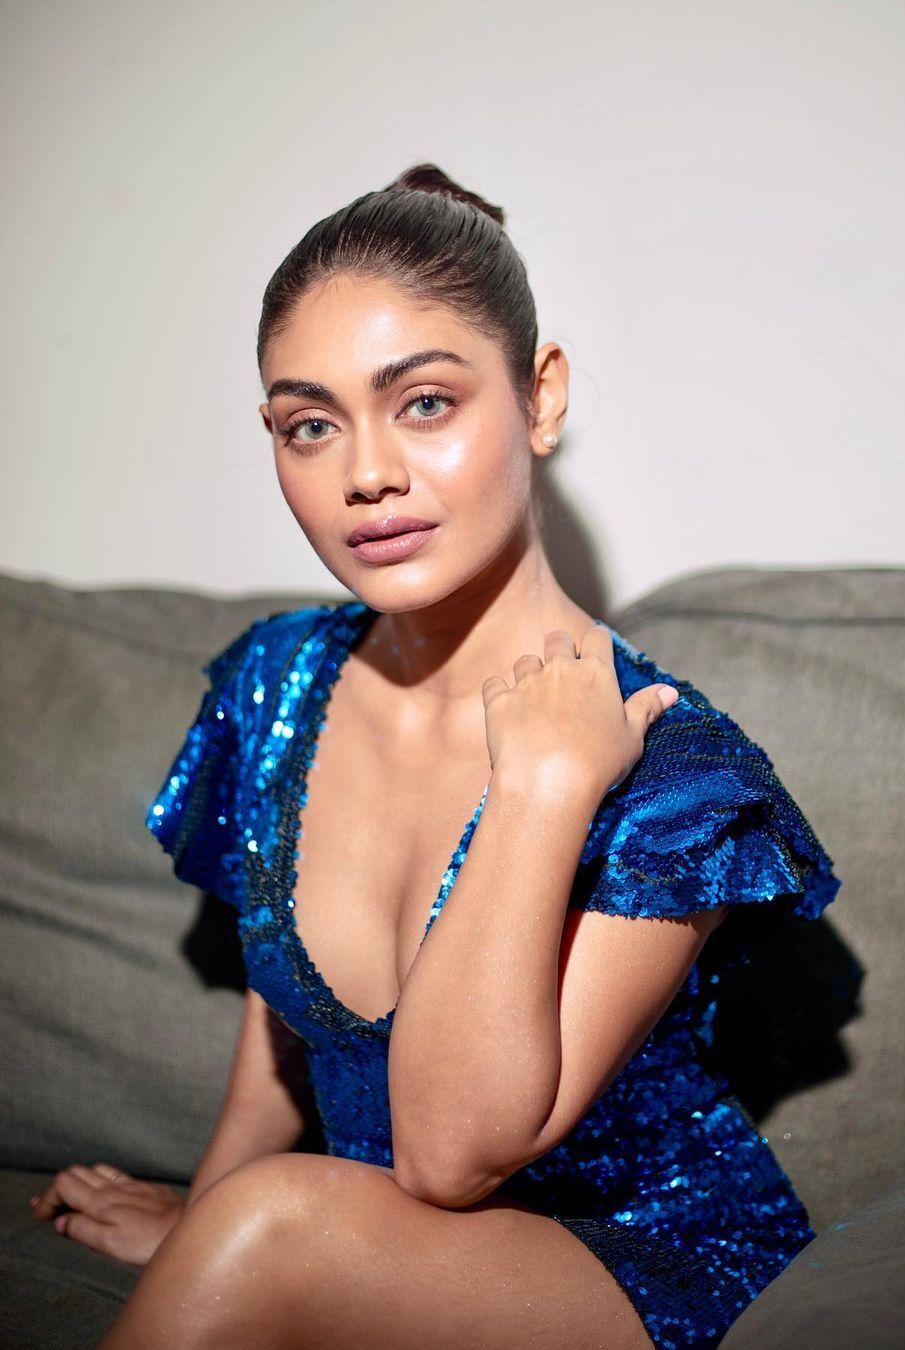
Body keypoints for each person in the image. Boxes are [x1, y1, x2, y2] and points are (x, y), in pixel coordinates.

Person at [32, 163, 843, 1349]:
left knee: (267, 1229)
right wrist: (203, 1229)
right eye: (311, 425)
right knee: (256, 1228)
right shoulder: (275, 684)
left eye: (423, 403)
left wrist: (543, 789)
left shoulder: (677, 773)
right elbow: (282, 1036)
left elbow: (452, 1157)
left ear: (541, 397)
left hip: (635, 1264)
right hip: (371, 1245)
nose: (365, 475)